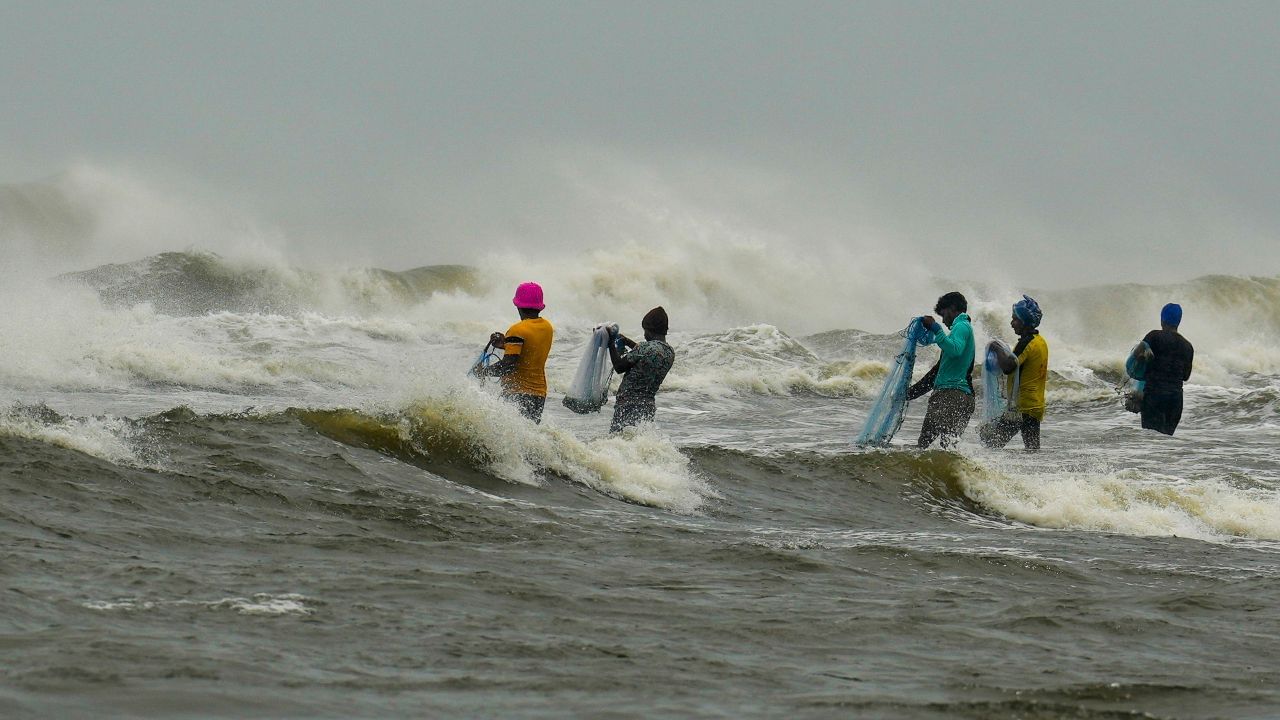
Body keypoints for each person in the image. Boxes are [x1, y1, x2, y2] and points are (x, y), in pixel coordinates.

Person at [473, 282, 555, 423]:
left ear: (518, 305)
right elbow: (530, 350)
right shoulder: (547, 327)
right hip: (539, 394)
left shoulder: (517, 330)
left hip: (517, 393)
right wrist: (505, 344)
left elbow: (508, 366)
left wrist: (483, 372)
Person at [907, 292, 976, 449]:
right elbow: (935, 374)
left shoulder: (961, 326)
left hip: (951, 396)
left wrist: (936, 329)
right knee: (949, 448)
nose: (944, 321)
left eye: (944, 315)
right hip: (963, 398)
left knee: (923, 445)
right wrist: (910, 394)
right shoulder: (963, 330)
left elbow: (955, 350)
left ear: (952, 309)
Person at [980, 295, 1049, 451]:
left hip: (1021, 407)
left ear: (1025, 321)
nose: (1012, 323)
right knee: (1032, 449)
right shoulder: (1040, 341)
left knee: (992, 445)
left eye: (1015, 319)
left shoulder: (1026, 342)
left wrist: (996, 347)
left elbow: (1009, 367)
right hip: (1035, 405)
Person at [607, 306, 676, 433]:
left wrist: (611, 343)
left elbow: (619, 366)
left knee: (619, 441)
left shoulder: (645, 349)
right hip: (648, 407)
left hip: (628, 405)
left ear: (650, 330)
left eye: (645, 331)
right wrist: (628, 342)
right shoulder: (669, 352)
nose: (645, 334)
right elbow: (648, 355)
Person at [1132, 303, 1193, 436]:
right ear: (1179, 321)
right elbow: (1185, 376)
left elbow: (1137, 355)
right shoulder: (1188, 346)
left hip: (1154, 397)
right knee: (1165, 444)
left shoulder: (1153, 336)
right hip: (1175, 401)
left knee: (1151, 440)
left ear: (1162, 319)